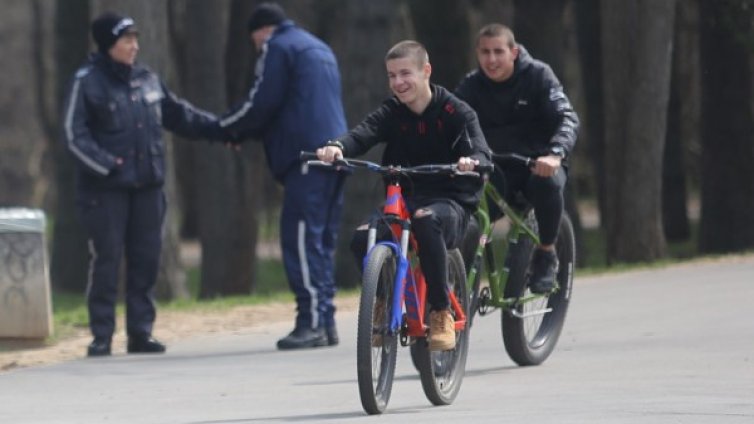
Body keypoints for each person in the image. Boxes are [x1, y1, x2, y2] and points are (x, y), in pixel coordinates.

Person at [62, 12, 225, 357]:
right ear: (109, 45)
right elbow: (74, 136)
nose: (135, 46)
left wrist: (221, 130)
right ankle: (101, 335)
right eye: (127, 40)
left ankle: (140, 332)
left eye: (136, 39)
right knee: (107, 261)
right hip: (106, 193)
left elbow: (179, 114)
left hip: (149, 188)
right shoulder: (86, 81)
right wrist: (109, 167)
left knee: (146, 260)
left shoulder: (147, 79)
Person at [317, 40, 491, 351]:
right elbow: (363, 133)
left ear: (426, 71)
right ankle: (381, 303)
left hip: (448, 200)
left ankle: (440, 312)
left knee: (426, 222)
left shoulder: (455, 111)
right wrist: (338, 147)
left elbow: (480, 149)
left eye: (405, 73)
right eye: (392, 75)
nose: (398, 83)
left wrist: (472, 160)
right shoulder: (391, 112)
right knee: (362, 239)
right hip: (406, 197)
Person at [218, 3, 347, 350]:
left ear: (260, 32)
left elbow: (262, 102)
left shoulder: (277, 47)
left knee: (302, 240)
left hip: (307, 155)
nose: (257, 49)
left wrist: (229, 128)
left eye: (254, 43)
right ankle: (326, 320)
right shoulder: (318, 46)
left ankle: (311, 322)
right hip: (334, 154)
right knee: (321, 242)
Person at [455, 23, 579, 294]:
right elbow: (450, 125)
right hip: (494, 170)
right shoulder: (471, 86)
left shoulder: (538, 75)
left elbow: (567, 118)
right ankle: (459, 285)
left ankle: (546, 253)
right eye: (485, 52)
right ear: (477, 53)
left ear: (514, 52)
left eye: (498, 51)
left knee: (546, 184)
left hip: (538, 165)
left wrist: (555, 153)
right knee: (464, 210)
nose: (491, 59)